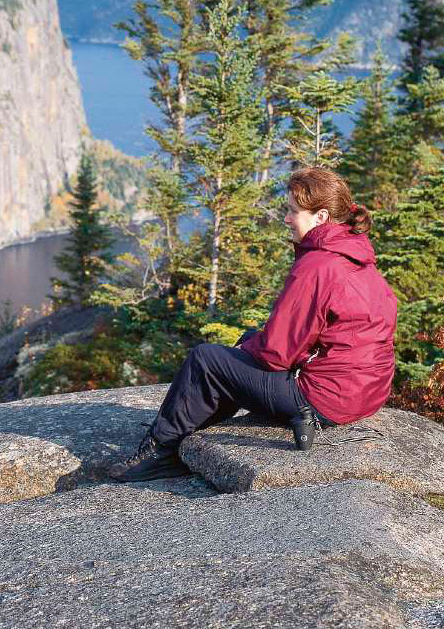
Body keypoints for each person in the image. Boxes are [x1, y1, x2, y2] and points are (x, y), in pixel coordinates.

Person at [110, 166, 398, 482]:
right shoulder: (357, 258)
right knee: (245, 345)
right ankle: (194, 430)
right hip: (365, 393)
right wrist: (251, 344)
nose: (286, 218)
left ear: (321, 217)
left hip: (324, 399)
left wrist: (246, 348)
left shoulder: (318, 265)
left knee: (205, 360)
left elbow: (276, 353)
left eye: (292, 211)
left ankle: (160, 452)